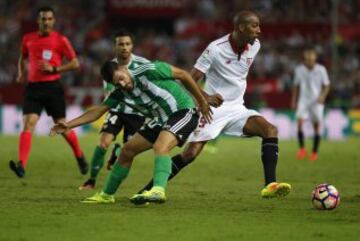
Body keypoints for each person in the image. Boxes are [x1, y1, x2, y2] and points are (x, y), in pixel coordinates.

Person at [139, 10, 291, 198]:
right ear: (241, 27)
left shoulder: (255, 45)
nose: (259, 30)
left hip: (237, 108)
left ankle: (270, 185)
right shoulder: (215, 48)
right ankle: (147, 190)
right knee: (190, 154)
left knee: (271, 131)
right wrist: (204, 98)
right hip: (212, 110)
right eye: (255, 26)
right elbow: (190, 78)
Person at [50, 60, 213, 204]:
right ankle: (107, 195)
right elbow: (98, 111)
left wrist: (202, 101)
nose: (121, 84)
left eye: (121, 78)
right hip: (159, 119)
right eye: (116, 83)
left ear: (124, 69)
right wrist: (69, 125)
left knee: (160, 146)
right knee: (127, 151)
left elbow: (183, 74)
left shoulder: (149, 70)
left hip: (182, 111)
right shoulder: (120, 92)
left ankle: (158, 190)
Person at [9, 6, 88, 178]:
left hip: (53, 87)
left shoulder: (60, 40)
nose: (46, 22)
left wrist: (54, 69)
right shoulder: (28, 38)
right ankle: (21, 164)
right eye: (43, 19)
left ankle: (79, 155)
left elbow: (75, 63)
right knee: (29, 123)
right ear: (38, 21)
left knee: (63, 127)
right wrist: (21, 72)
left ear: (53, 21)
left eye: (49, 19)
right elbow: (23, 56)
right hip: (33, 87)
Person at [79, 29, 148, 190]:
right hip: (117, 110)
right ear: (115, 46)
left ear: (132, 46)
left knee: (127, 152)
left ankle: (116, 153)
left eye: (127, 44)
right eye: (121, 44)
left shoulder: (143, 64)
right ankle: (91, 180)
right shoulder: (110, 68)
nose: (124, 47)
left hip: (137, 114)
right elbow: (110, 94)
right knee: (103, 143)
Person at [291, 48, 330, 161]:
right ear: (305, 60)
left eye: (311, 59)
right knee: (299, 123)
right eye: (307, 60)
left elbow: (327, 85)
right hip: (303, 100)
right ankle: (302, 149)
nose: (309, 61)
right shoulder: (299, 70)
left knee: (316, 127)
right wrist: (294, 100)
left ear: (315, 59)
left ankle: (314, 152)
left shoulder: (321, 70)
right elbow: (295, 86)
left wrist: (322, 96)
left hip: (316, 101)